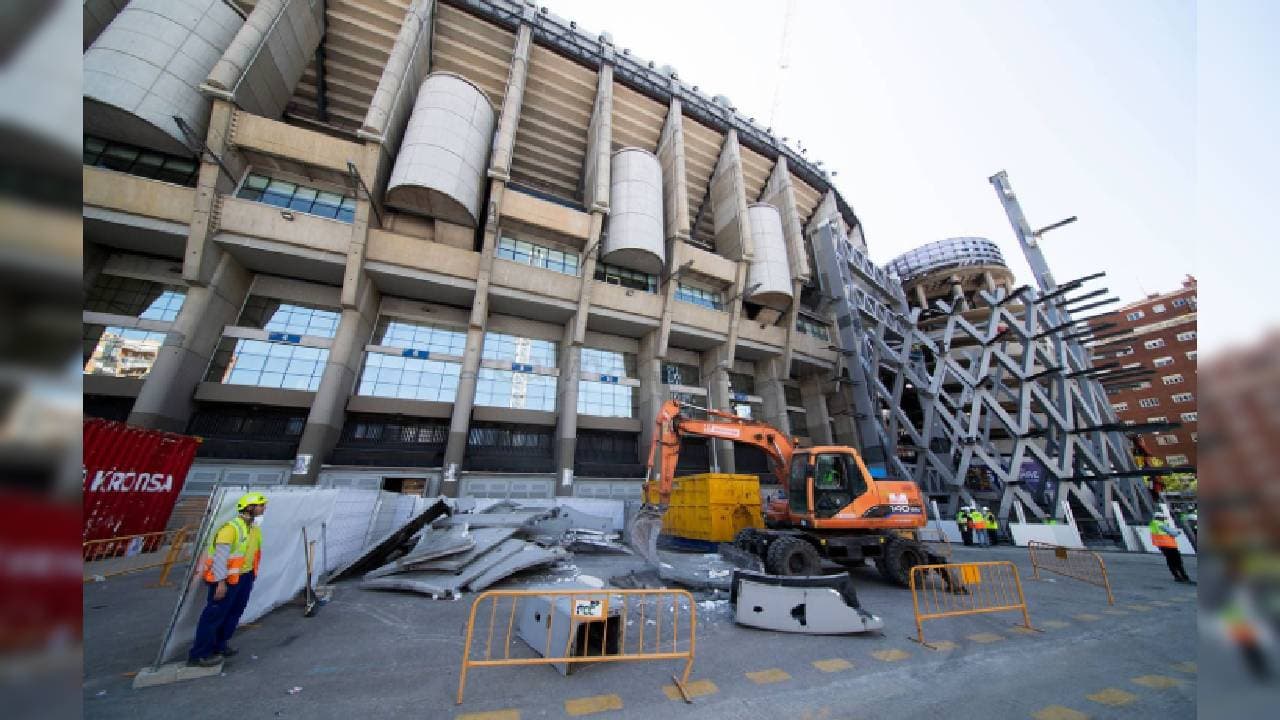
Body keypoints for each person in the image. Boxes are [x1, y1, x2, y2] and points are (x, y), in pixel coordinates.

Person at [189, 492, 267, 667]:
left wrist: (252, 575)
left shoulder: (254, 529)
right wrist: (220, 582)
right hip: (226, 579)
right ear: (249, 507)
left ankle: (219, 645)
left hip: (245, 577)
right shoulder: (230, 528)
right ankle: (199, 654)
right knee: (214, 616)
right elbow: (220, 557)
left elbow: (254, 554)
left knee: (233, 613)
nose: (264, 508)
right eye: (261, 505)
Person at [1149, 512, 1191, 583]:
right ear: (1159, 518)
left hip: (1162, 545)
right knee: (1177, 561)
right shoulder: (1160, 524)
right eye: (1162, 518)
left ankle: (1176, 576)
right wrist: (1178, 532)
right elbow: (1173, 533)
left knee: (1170, 561)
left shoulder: (1153, 524)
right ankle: (1184, 576)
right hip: (1169, 545)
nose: (1163, 519)